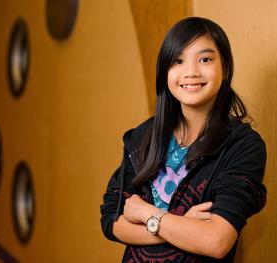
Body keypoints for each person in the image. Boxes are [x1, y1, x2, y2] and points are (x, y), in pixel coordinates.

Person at [100, 17, 267, 262]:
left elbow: (216, 241)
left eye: (205, 59)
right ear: (165, 71)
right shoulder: (143, 137)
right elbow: (111, 219)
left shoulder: (243, 145)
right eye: (178, 61)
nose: (191, 72)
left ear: (226, 68)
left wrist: (146, 213)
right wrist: (178, 226)